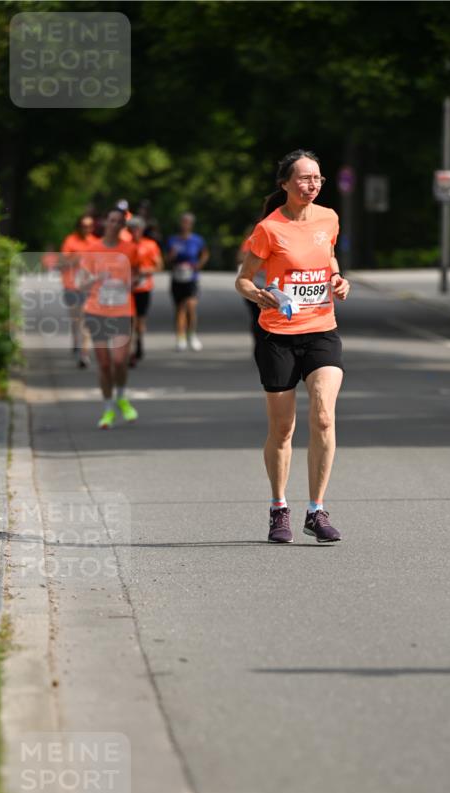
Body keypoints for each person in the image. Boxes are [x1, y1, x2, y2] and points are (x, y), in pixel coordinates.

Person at [236, 149, 350, 544]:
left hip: (321, 330)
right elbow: (244, 280)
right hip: (278, 336)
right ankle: (278, 508)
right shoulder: (269, 228)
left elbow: (330, 257)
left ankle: (317, 511)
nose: (312, 184)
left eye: (317, 178)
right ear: (284, 184)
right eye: (303, 178)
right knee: (282, 430)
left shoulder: (329, 218)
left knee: (322, 416)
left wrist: (338, 279)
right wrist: (259, 296)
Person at [77, 208, 140, 428]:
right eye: (110, 220)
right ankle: (108, 410)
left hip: (122, 311)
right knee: (104, 364)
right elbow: (80, 283)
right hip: (97, 311)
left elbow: (138, 274)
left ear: (123, 226)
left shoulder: (130, 249)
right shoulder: (92, 249)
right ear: (105, 223)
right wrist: (97, 277)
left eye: (118, 222)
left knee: (120, 360)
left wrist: (131, 282)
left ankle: (121, 396)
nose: (113, 225)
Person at [165, 213, 210, 351]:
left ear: (191, 224)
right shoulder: (173, 240)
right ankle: (180, 338)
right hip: (177, 277)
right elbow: (166, 260)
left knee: (190, 306)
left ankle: (192, 335)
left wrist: (199, 265)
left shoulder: (197, 240)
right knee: (180, 309)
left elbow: (205, 254)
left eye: (188, 222)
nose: (185, 224)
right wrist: (171, 257)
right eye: (183, 222)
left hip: (192, 277)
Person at [59, 214, 99, 367]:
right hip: (71, 285)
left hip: (88, 286)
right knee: (76, 318)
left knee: (85, 319)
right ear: (79, 226)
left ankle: (84, 353)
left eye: (89, 226)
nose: (86, 229)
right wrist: (76, 259)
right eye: (84, 226)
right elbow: (61, 262)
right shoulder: (70, 241)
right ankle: (76, 341)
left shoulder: (96, 242)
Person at [127, 215, 163, 365]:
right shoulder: (124, 245)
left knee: (140, 320)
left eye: (137, 229)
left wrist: (145, 270)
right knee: (129, 320)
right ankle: (130, 351)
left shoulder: (150, 245)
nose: (135, 232)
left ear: (142, 230)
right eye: (132, 229)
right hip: (127, 287)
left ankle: (139, 341)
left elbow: (159, 266)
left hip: (143, 287)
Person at [236, 222, 265, 344]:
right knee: (257, 316)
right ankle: (259, 342)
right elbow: (241, 257)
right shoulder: (251, 240)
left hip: (271, 284)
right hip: (254, 285)